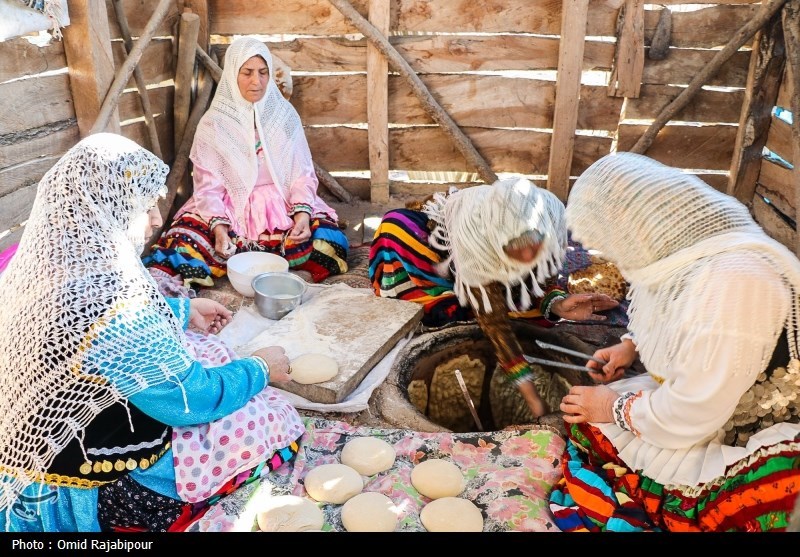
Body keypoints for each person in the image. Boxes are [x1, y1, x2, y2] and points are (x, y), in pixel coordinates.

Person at [0, 133, 307, 532]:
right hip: (93, 481)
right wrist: (260, 368)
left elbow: (81, 333)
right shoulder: (121, 308)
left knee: (203, 349)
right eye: (146, 206)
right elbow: (190, 399)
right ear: (108, 211)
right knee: (265, 418)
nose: (159, 219)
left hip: (25, 453)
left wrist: (181, 311)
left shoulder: (38, 264)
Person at [549, 152, 800, 532]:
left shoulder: (735, 282)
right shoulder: (687, 252)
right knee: (588, 426)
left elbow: (693, 412)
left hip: (737, 419)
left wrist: (614, 407)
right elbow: (669, 304)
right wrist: (630, 347)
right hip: (710, 391)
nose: (616, 252)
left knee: (754, 502)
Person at [369, 178, 618, 418]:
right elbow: (495, 325)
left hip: (482, 255)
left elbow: (543, 280)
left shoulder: (546, 229)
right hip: (427, 246)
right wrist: (535, 403)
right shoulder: (481, 248)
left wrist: (557, 303)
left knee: (510, 296)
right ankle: (454, 287)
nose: (529, 253)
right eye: (517, 247)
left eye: (535, 244)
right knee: (452, 308)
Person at [144, 36, 348, 288]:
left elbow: (301, 174)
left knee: (330, 242)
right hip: (230, 208)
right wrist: (219, 230)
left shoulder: (284, 118)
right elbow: (208, 188)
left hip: (280, 205)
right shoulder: (214, 124)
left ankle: (246, 259)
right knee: (183, 243)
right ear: (232, 75)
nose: (257, 81)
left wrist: (303, 216)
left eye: (263, 72)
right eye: (247, 72)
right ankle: (255, 255)